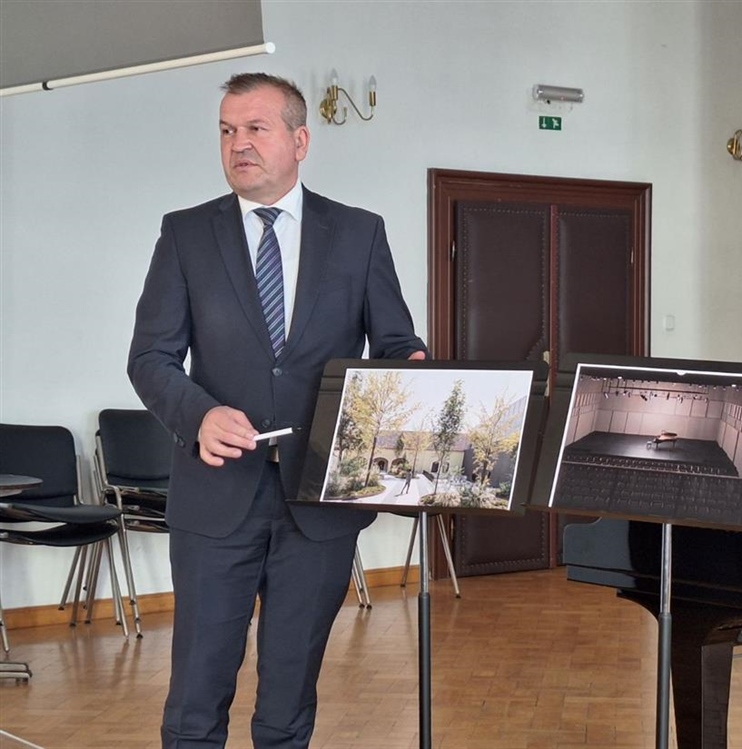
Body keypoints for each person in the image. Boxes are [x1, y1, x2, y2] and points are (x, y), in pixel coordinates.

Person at [128, 72, 427, 749]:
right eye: (227, 131)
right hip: (215, 498)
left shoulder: (358, 234)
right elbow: (150, 357)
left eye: (255, 128)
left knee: (289, 696)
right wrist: (198, 414)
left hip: (318, 501)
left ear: (300, 139)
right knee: (197, 695)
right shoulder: (185, 234)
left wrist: (409, 370)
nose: (239, 144)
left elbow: (394, 341)